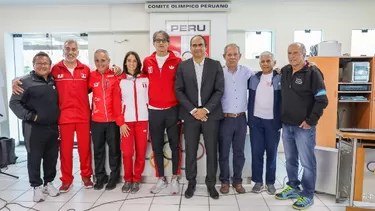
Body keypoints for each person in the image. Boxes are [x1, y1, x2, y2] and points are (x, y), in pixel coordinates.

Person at [12, 40, 122, 193]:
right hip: (64, 118)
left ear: (78, 51)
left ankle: (86, 177)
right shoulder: (56, 69)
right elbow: (38, 74)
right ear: (63, 50)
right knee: (65, 152)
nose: (71, 52)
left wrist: (115, 68)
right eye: (68, 49)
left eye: (74, 49)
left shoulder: (86, 70)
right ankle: (67, 180)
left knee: (85, 150)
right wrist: (17, 80)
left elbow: (100, 78)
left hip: (84, 117)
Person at [275, 42, 328, 210]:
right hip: (287, 125)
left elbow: (322, 100)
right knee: (290, 159)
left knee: (307, 162)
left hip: (304, 126)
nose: (292, 56)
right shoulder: (285, 71)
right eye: (289, 52)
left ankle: (308, 194)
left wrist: (310, 121)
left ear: (304, 54)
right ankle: (292, 186)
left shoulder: (313, 73)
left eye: (296, 53)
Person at [175, 35, 224, 199]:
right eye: (194, 45)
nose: (197, 48)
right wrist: (194, 110)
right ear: (191, 47)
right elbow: (179, 91)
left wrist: (206, 110)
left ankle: (211, 184)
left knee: (212, 151)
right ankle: (191, 183)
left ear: (206, 47)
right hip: (190, 116)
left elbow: (219, 90)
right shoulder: (183, 66)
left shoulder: (215, 65)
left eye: (200, 45)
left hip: (211, 116)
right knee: (190, 151)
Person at [9, 52, 60, 202]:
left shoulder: (53, 81)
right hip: (34, 128)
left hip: (52, 127)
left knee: (51, 158)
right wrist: (32, 116)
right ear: (34, 65)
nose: (42, 66)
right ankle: (36, 187)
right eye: (39, 63)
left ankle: (48, 183)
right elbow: (14, 103)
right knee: (34, 158)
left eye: (45, 64)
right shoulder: (24, 82)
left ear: (50, 66)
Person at [142, 30, 182, 194]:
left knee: (175, 145)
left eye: (164, 40)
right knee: (157, 146)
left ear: (168, 42)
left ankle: (174, 178)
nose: (161, 43)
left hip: (173, 110)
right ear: (154, 43)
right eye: (158, 40)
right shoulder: (147, 61)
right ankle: (161, 179)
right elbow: (135, 75)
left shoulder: (177, 61)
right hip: (154, 111)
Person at [218, 43, 253, 194]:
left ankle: (237, 181)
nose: (232, 57)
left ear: (240, 55)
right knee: (224, 152)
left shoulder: (247, 72)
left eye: (235, 54)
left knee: (239, 152)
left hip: (240, 119)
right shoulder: (218, 72)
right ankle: (224, 181)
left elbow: (263, 77)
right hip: (224, 119)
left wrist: (277, 71)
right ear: (224, 56)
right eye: (229, 54)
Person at [115, 51, 149, 194]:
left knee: (141, 152)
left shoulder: (146, 79)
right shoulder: (120, 80)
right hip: (126, 123)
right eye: (129, 60)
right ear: (125, 63)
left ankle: (136, 179)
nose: (131, 63)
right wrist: (121, 122)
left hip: (143, 121)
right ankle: (128, 179)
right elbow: (117, 103)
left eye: (134, 60)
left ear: (138, 62)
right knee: (128, 153)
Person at [248, 51, 281, 195]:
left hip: (273, 122)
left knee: (272, 154)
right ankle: (258, 182)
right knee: (257, 153)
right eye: (263, 61)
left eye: (268, 61)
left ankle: (270, 182)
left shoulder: (280, 78)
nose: (265, 64)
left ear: (274, 63)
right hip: (256, 121)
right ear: (259, 63)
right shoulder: (254, 78)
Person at [89, 49, 121, 191]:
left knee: (114, 151)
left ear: (109, 61)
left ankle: (114, 177)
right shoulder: (91, 76)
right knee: (98, 151)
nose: (100, 63)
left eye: (103, 60)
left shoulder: (115, 75)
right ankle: (100, 178)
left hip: (113, 121)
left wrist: (119, 69)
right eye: (97, 60)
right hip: (96, 120)